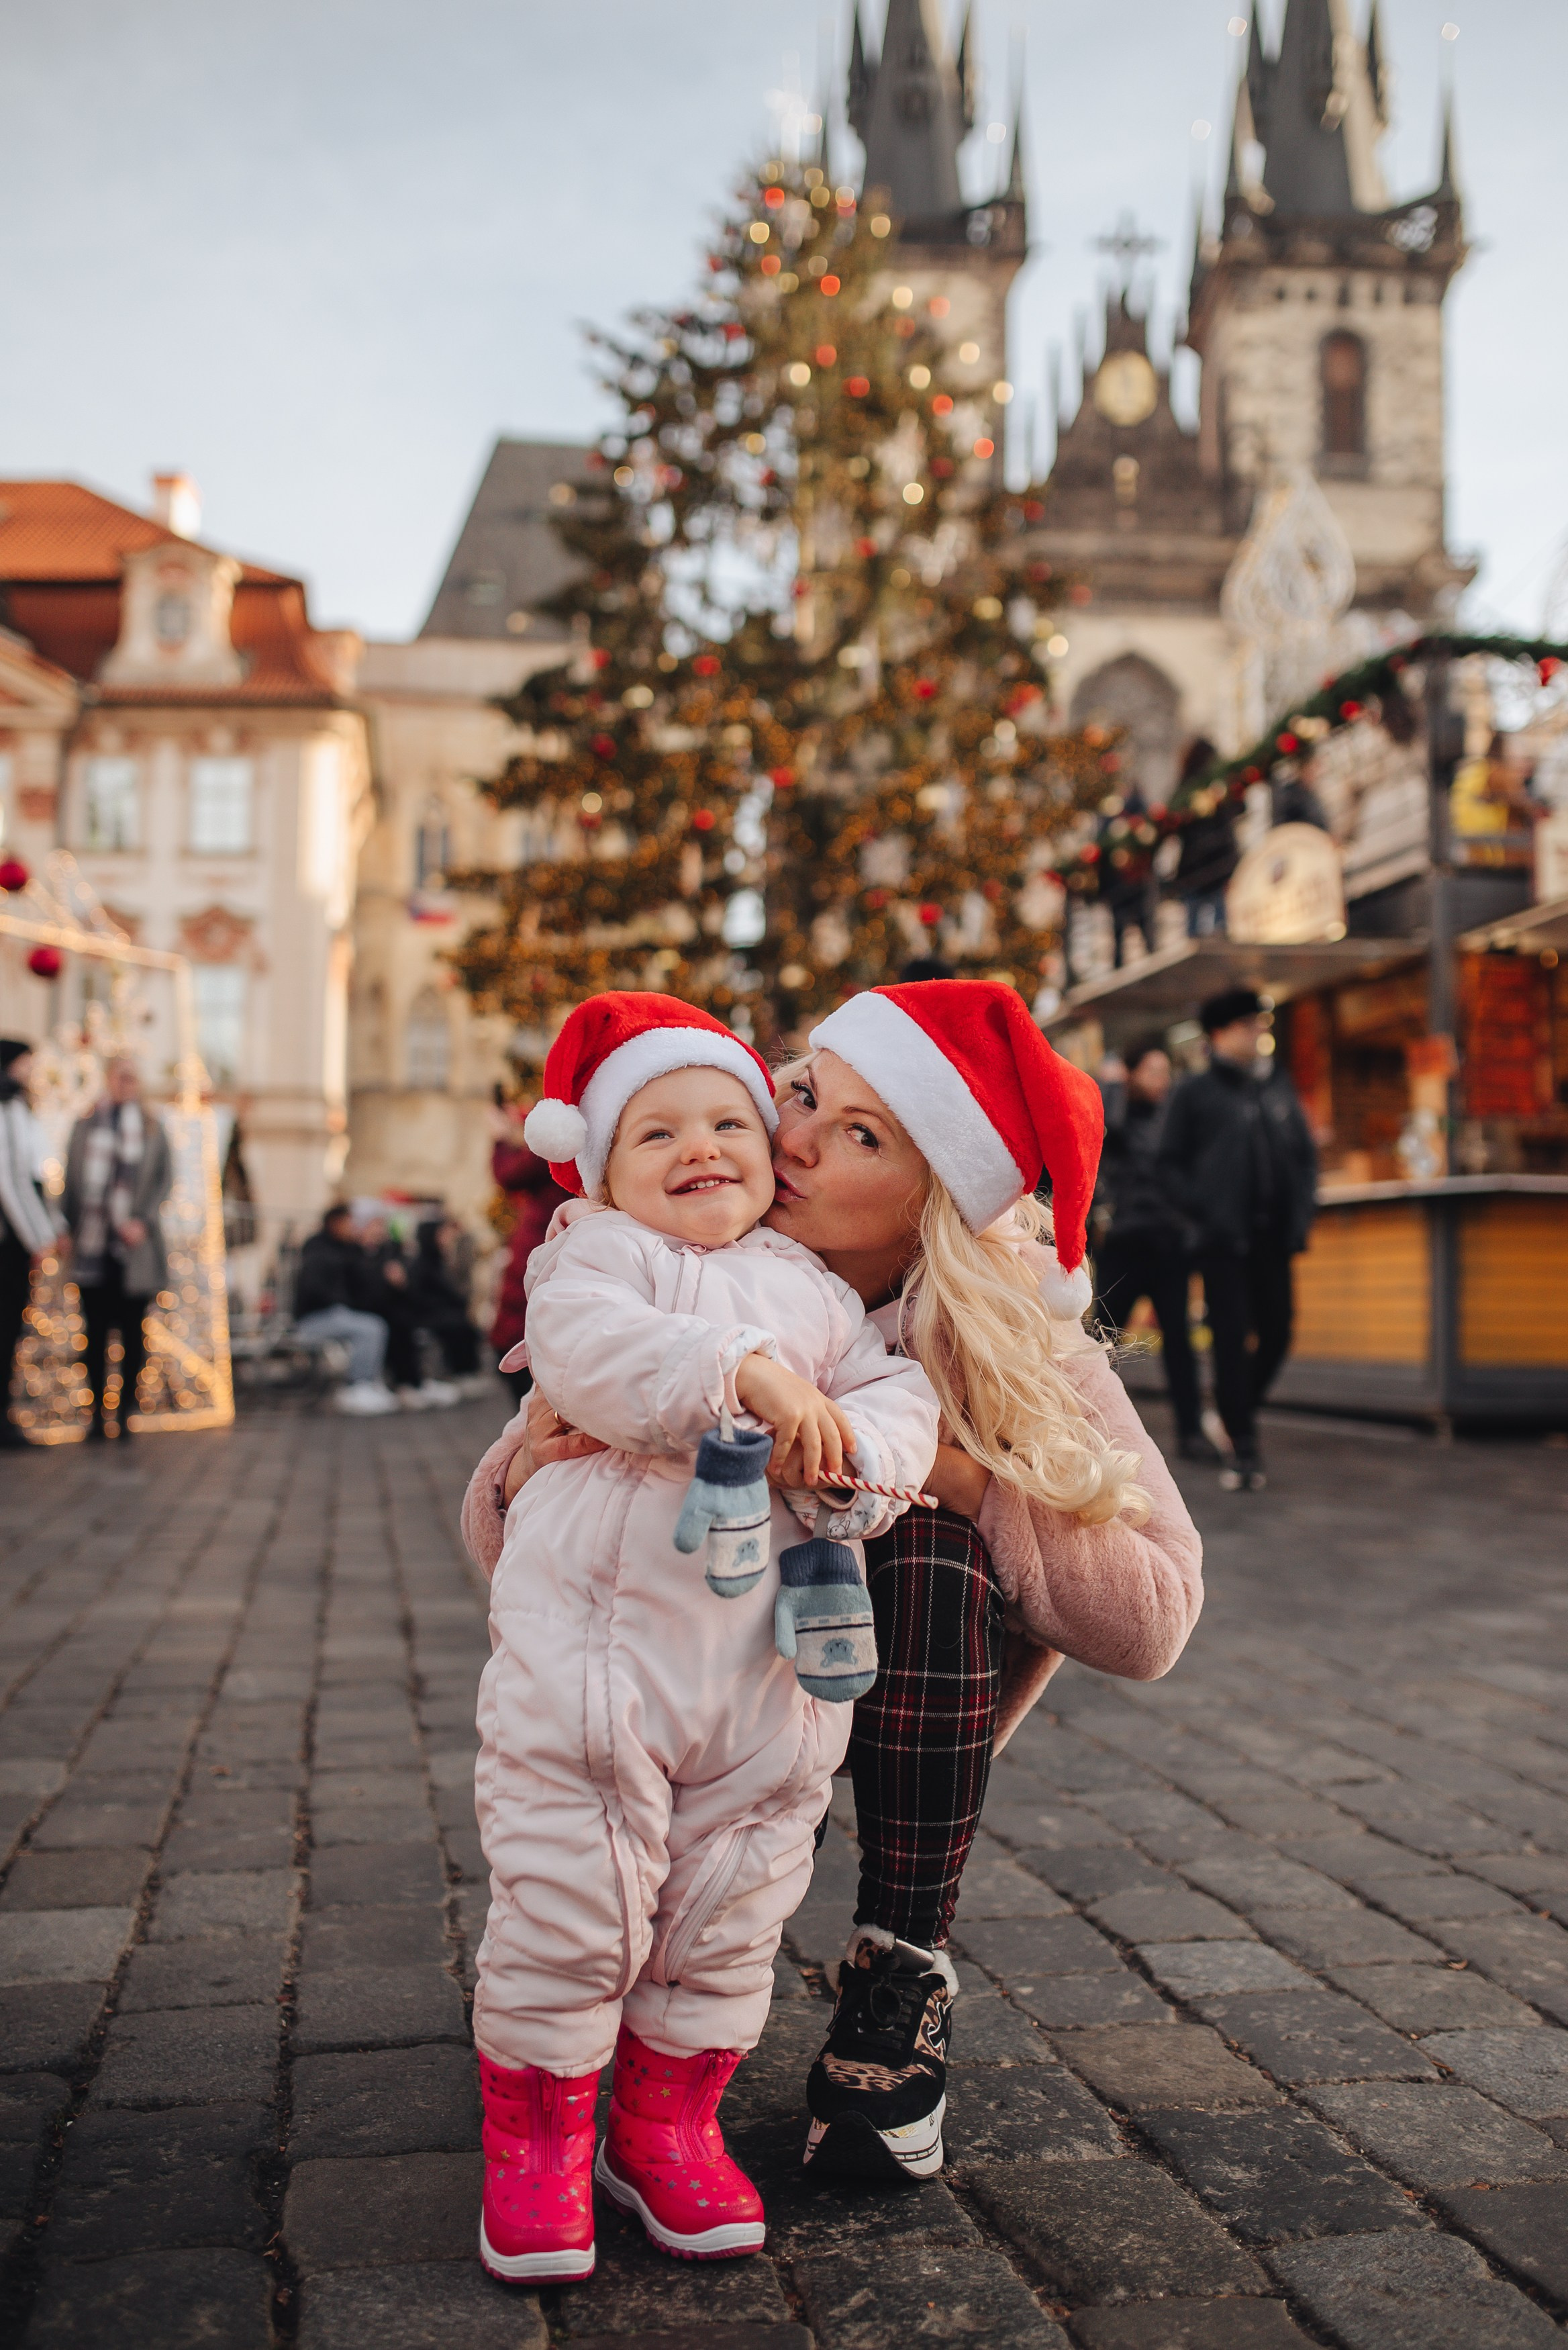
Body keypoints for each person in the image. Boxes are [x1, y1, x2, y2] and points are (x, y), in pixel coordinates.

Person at [468, 979, 1203, 2193]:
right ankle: (580, 2026)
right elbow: (500, 1542)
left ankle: (899, 1965)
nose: (791, 1136)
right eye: (804, 1093)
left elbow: (1155, 1616)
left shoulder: (1005, 1330)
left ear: (933, 1195)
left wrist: (964, 1480)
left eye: (860, 1133)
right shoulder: (669, 1253)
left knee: (919, 1536)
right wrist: (538, 1464)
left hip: (884, 1695)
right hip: (673, 1671)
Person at [467, 992, 938, 2283]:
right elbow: (594, 1350)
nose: (702, 1145)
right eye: (655, 1129)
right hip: (590, 1678)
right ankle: (542, 2137)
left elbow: (899, 1399)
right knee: (571, 1897)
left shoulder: (814, 1292)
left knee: (728, 1904)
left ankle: (666, 2122)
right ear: (602, 1168)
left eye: (729, 1117)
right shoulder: (593, 1258)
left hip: (762, 1684)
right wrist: (747, 1376)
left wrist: (857, 1459)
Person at [1157, 986, 1318, 1491]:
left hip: (1273, 1238)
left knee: (1278, 1331)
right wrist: (1202, 1215)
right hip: (1222, 1242)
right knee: (1228, 1340)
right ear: (1221, 1033)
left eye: (1262, 1026)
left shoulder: (1275, 1087)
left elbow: (1304, 1155)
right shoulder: (1195, 1093)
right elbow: (1167, 1164)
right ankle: (1244, 1449)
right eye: (1251, 1025)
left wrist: (1303, 1210)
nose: (1259, 1034)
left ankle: (1233, 1413)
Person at [1093, 1038, 1212, 1461]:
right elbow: (1098, 1109)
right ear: (1131, 1074)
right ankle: (1076, 1425)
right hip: (1125, 1244)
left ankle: (1192, 1432)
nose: (1162, 1081)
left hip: (1168, 1245)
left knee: (1179, 1341)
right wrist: (1115, 1084)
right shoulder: (1115, 1112)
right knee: (1100, 1342)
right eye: (1152, 1071)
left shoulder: (1172, 1119)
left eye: (1166, 1072)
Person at [62, 1056, 173, 1444]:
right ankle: (95, 1414)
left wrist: (142, 1221)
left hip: (135, 1248)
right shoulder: (86, 1124)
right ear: (109, 1079)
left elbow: (163, 1182)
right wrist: (66, 1228)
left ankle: (124, 1413)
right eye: (120, 1076)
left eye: (133, 1077)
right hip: (92, 1244)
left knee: (131, 1335)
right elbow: (71, 1183)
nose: (127, 1083)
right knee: (93, 1335)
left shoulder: (152, 1128)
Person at [489, 1107, 571, 1405]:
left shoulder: (561, 1133)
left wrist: (500, 1139)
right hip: (558, 1240)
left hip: (542, 1241)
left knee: (525, 1318)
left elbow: (509, 1175)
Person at [0, 1039, 58, 1450]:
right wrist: (40, 1238)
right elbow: (12, 1181)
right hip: (10, 1241)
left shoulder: (17, 1107)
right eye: (27, 1065)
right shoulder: (8, 1108)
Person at [292, 1203, 397, 1416]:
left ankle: (368, 1383)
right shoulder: (319, 1251)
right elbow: (318, 1290)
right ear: (336, 1223)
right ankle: (357, 1385)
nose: (353, 1227)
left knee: (376, 1324)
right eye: (349, 1222)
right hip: (314, 1318)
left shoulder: (344, 1249)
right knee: (370, 1328)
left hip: (333, 1313)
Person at [1171, 738, 1238, 937]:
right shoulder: (1203, 790)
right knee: (1219, 928)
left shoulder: (1185, 790)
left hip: (1199, 868)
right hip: (1215, 866)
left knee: (1196, 929)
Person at [407, 1217, 483, 1385]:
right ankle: (460, 1372)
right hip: (428, 1316)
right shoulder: (423, 1263)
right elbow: (422, 1296)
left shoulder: (439, 1260)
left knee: (465, 1325)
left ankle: (466, 1371)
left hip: (441, 1312)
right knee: (457, 1325)